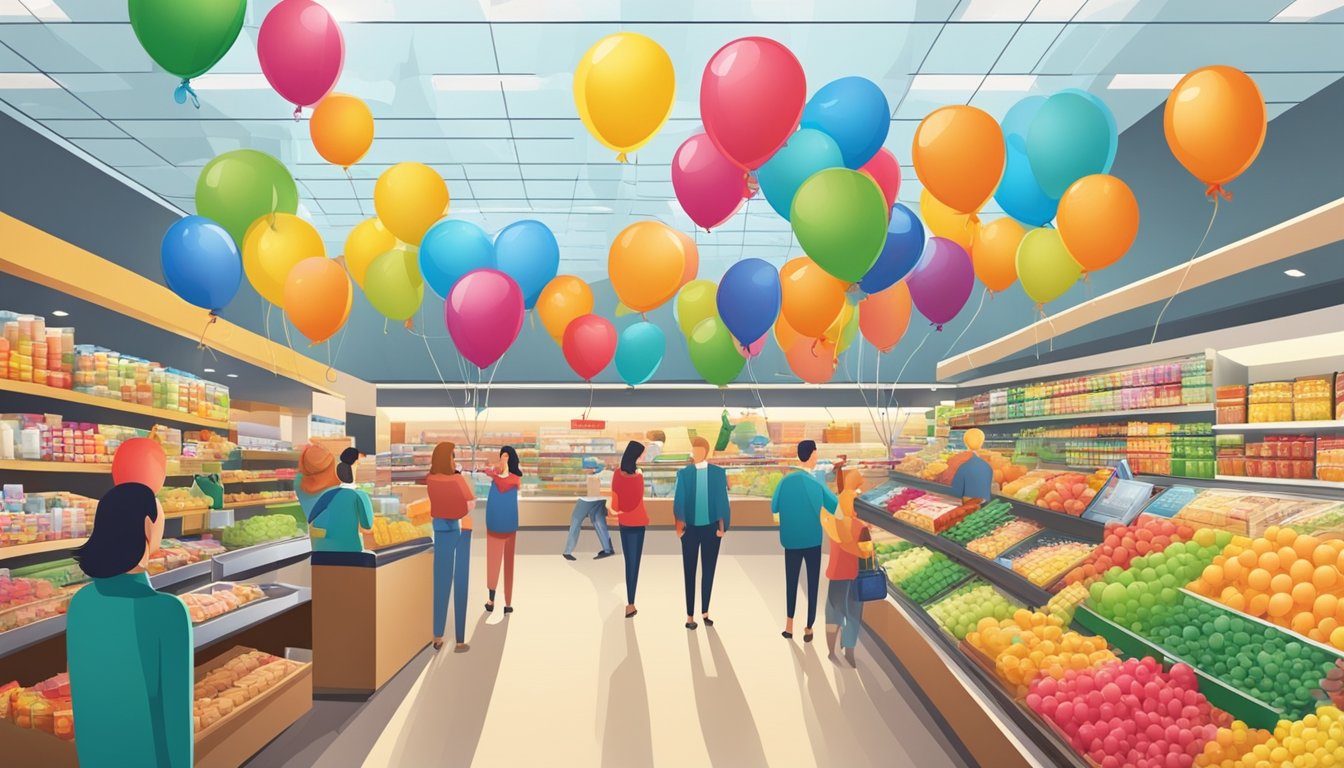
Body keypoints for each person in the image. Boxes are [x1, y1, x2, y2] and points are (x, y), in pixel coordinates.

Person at [67, 482, 192, 768]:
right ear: (148, 527)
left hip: (96, 756)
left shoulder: (81, 602)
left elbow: (82, 698)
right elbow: (175, 717)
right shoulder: (167, 611)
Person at [770, 440, 839, 642]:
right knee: (812, 583)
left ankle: (789, 626)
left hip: (790, 539)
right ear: (813, 455)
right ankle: (808, 627)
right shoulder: (815, 482)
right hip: (812, 539)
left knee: (791, 581)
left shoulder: (785, 481)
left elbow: (774, 507)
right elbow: (836, 507)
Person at [672, 435, 730, 630]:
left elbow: (722, 501)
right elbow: (678, 501)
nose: (695, 454)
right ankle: (690, 616)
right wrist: (679, 528)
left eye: (699, 450)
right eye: (693, 450)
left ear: (705, 452)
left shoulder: (717, 473)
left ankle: (705, 611)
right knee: (689, 571)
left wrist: (723, 527)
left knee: (709, 570)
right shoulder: (684, 473)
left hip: (711, 528)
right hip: (690, 529)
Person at [821, 468, 875, 667]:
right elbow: (866, 552)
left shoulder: (833, 521)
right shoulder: (860, 528)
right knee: (852, 612)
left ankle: (830, 651)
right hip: (855, 574)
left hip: (836, 571)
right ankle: (849, 653)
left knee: (833, 610)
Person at [424, 442, 474, 652]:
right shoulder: (457, 478)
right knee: (460, 582)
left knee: (440, 584)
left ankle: (437, 635)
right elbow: (470, 502)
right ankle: (460, 640)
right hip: (459, 530)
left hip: (439, 530)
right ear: (449, 459)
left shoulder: (430, 479)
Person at [296, 444, 374, 553]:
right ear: (355, 467)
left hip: (323, 549)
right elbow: (367, 525)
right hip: (350, 549)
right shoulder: (360, 496)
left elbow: (311, 517)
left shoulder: (328, 494)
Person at [609, 441, 649, 618]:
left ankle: (630, 603)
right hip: (639, 521)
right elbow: (639, 497)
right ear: (637, 456)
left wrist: (613, 510)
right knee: (635, 562)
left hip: (624, 521)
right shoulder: (639, 475)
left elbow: (616, 504)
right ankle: (631, 603)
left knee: (628, 561)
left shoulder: (617, 474)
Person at [484, 445, 522, 614]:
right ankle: (506, 603)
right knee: (508, 565)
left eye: (505, 456)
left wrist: (497, 469)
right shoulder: (515, 479)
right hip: (509, 526)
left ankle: (493, 600)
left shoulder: (500, 478)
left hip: (495, 527)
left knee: (494, 563)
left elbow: (495, 475)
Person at [563, 457, 614, 560]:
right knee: (599, 522)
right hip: (601, 499)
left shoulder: (588, 477)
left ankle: (568, 551)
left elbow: (580, 489)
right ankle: (608, 549)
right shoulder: (604, 474)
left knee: (576, 521)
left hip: (587, 500)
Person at [951, 428, 993, 503]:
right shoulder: (987, 465)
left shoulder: (958, 461)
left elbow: (955, 491)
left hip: (965, 504)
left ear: (965, 442)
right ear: (982, 442)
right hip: (983, 505)